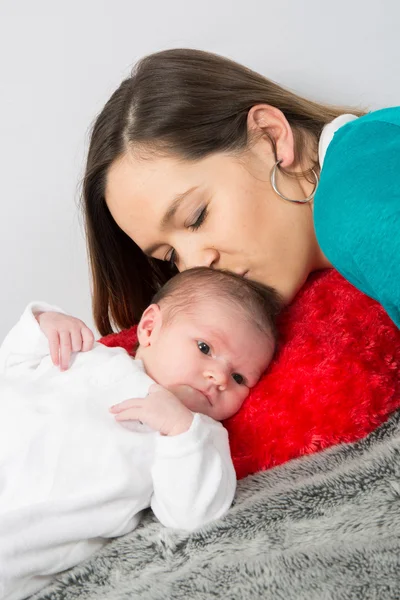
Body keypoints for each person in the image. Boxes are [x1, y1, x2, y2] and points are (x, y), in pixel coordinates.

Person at [0, 267, 280, 600]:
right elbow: (13, 363)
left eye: (239, 379)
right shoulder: (90, 355)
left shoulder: (196, 436)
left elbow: (193, 514)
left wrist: (180, 430)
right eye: (205, 347)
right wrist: (44, 322)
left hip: (23, 539)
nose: (218, 376)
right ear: (149, 328)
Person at [82, 48, 399, 335]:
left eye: (197, 217)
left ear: (270, 137)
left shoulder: (351, 206)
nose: (195, 266)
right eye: (171, 257)